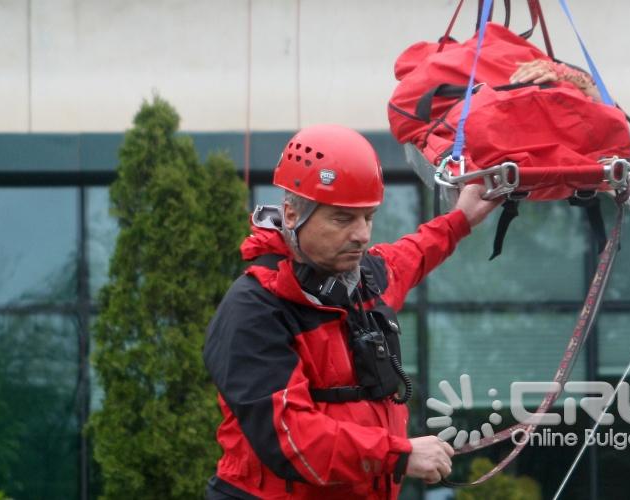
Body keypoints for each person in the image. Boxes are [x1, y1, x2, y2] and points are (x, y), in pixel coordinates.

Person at [202, 124, 501, 499]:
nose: (362, 234)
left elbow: (413, 253)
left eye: (368, 217)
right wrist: (398, 455)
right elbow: (291, 438)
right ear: (291, 215)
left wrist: (461, 219)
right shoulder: (254, 310)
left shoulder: (363, 279)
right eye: (342, 219)